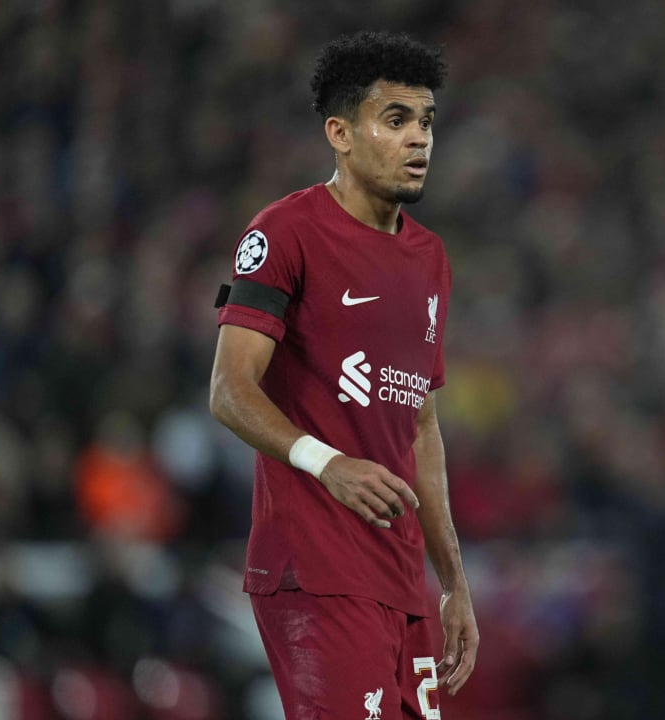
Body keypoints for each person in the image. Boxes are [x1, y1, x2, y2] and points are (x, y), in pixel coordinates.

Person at [208, 30, 478, 719]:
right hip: (314, 567)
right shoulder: (286, 233)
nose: (420, 139)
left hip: (399, 575)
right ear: (341, 133)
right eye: (396, 121)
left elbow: (419, 424)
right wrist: (328, 463)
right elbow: (230, 390)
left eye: (426, 122)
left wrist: (452, 581)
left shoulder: (431, 258)